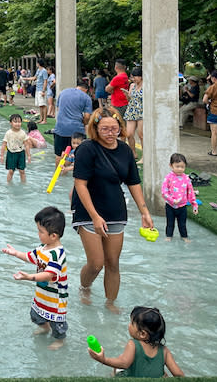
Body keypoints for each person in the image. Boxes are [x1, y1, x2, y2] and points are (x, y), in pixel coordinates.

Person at [71, 107, 154, 312]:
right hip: (88, 210)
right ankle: (85, 286)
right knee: (96, 263)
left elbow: (133, 182)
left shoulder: (125, 151)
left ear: (121, 128)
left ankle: (110, 302)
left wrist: (144, 212)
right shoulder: (86, 149)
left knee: (113, 263)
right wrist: (95, 216)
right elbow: (80, 184)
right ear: (95, 128)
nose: (110, 133)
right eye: (105, 129)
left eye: (114, 129)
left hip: (115, 209)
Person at [1, 207, 68, 349]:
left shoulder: (57, 254)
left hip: (56, 300)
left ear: (54, 236)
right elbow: (29, 257)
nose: (38, 234)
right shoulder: (43, 248)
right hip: (42, 295)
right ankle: (45, 328)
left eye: (41, 231)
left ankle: (60, 340)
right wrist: (15, 253)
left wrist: (30, 277)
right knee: (35, 315)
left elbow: (49, 274)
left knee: (58, 325)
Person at [88, 306, 185, 378]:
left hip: (132, 378)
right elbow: (179, 374)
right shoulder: (164, 350)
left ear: (142, 334)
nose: (129, 325)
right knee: (165, 375)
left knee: (118, 365)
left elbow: (124, 363)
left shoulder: (133, 344)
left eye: (131, 322)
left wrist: (103, 359)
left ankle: (112, 376)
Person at [52, 77, 93, 165]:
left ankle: (59, 176)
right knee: (80, 156)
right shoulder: (86, 98)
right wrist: (84, 123)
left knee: (59, 154)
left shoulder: (63, 92)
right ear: (86, 90)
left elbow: (59, 109)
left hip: (60, 128)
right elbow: (87, 116)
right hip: (77, 130)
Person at [160, 153, 197, 242]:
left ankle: (184, 237)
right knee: (170, 223)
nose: (180, 169)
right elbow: (164, 192)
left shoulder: (186, 178)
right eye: (177, 166)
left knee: (182, 224)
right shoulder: (168, 178)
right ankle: (169, 236)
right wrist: (172, 201)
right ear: (171, 166)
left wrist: (194, 205)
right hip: (170, 206)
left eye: (182, 167)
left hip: (182, 206)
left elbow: (190, 192)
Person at [121, 66, 144, 159]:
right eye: (132, 77)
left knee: (141, 135)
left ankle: (144, 156)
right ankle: (133, 153)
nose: (133, 79)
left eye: (135, 77)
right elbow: (129, 99)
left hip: (142, 111)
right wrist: (127, 94)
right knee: (129, 134)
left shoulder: (146, 85)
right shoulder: (132, 86)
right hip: (131, 110)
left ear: (141, 77)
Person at [1, 113, 30, 183]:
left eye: (19, 122)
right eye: (15, 122)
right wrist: (2, 156)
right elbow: (4, 144)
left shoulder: (23, 133)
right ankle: (8, 184)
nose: (18, 124)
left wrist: (29, 155)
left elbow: (26, 145)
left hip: (21, 153)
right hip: (11, 153)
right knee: (11, 171)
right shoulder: (8, 133)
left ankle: (23, 184)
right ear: (11, 123)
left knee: (22, 171)